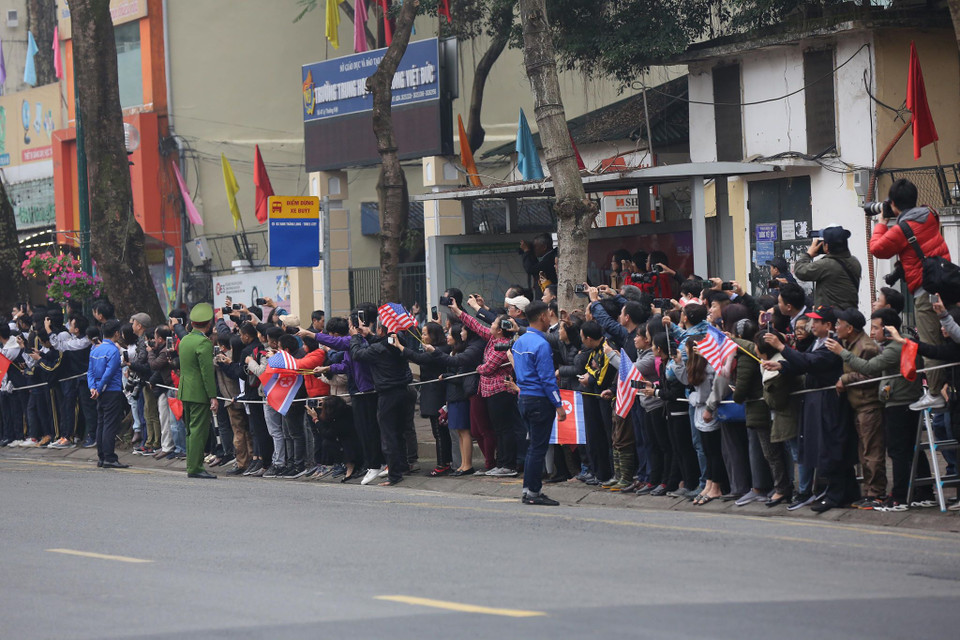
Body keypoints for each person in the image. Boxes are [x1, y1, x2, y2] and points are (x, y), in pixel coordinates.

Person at [764, 306, 858, 512]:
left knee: (831, 446)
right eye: (812, 321)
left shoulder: (832, 345)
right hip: (816, 399)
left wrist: (781, 347)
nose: (812, 325)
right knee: (822, 446)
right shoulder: (818, 342)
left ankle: (836, 493)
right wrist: (782, 366)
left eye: (817, 322)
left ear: (829, 326)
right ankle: (840, 491)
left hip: (829, 400)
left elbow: (810, 362)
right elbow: (801, 362)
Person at [869, 178, 951, 401]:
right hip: (945, 282)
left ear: (893, 203)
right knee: (948, 337)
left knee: (930, 341)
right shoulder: (930, 213)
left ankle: (935, 393)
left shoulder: (902, 229)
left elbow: (877, 248)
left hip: (926, 291)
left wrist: (882, 221)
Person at [512, 301, 566, 506]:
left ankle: (528, 489)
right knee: (538, 447)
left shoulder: (520, 342)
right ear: (543, 317)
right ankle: (534, 492)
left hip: (524, 397)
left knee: (533, 446)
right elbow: (547, 378)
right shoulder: (542, 344)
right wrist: (558, 404)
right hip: (539, 400)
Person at [832, 308, 885, 506]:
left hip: (869, 405)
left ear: (850, 328)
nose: (836, 328)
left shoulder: (866, 346)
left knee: (872, 453)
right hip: (857, 406)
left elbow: (872, 375)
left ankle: (876, 494)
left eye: (839, 324)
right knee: (864, 453)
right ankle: (869, 492)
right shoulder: (849, 343)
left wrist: (845, 379)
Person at [178, 303, 220, 479]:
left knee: (189, 430)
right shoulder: (203, 343)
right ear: (208, 324)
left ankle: (192, 464)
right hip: (198, 393)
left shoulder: (185, 340)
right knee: (198, 431)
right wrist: (213, 396)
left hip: (184, 390)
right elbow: (207, 373)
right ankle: (195, 467)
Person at [86, 319, 128, 469]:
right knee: (110, 425)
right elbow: (109, 373)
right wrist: (99, 387)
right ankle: (109, 457)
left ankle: (102, 457)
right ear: (116, 333)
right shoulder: (113, 351)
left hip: (98, 392)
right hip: (111, 390)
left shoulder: (95, 349)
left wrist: (93, 388)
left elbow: (90, 371)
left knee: (101, 423)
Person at [794, 226, 861, 310]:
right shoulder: (854, 261)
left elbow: (800, 271)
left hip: (832, 317)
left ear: (826, 246)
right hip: (850, 314)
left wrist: (808, 254)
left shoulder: (827, 265)